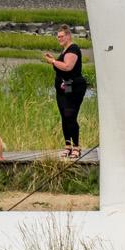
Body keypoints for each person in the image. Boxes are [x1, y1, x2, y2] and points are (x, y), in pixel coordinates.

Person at [41, 27, 89, 158]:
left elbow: (68, 67)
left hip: (74, 86)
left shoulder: (73, 49)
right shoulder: (65, 50)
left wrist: (53, 61)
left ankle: (77, 147)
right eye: (58, 36)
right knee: (64, 115)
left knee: (70, 115)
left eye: (61, 36)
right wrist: (54, 60)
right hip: (65, 86)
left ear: (68, 36)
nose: (59, 39)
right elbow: (61, 68)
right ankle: (68, 145)